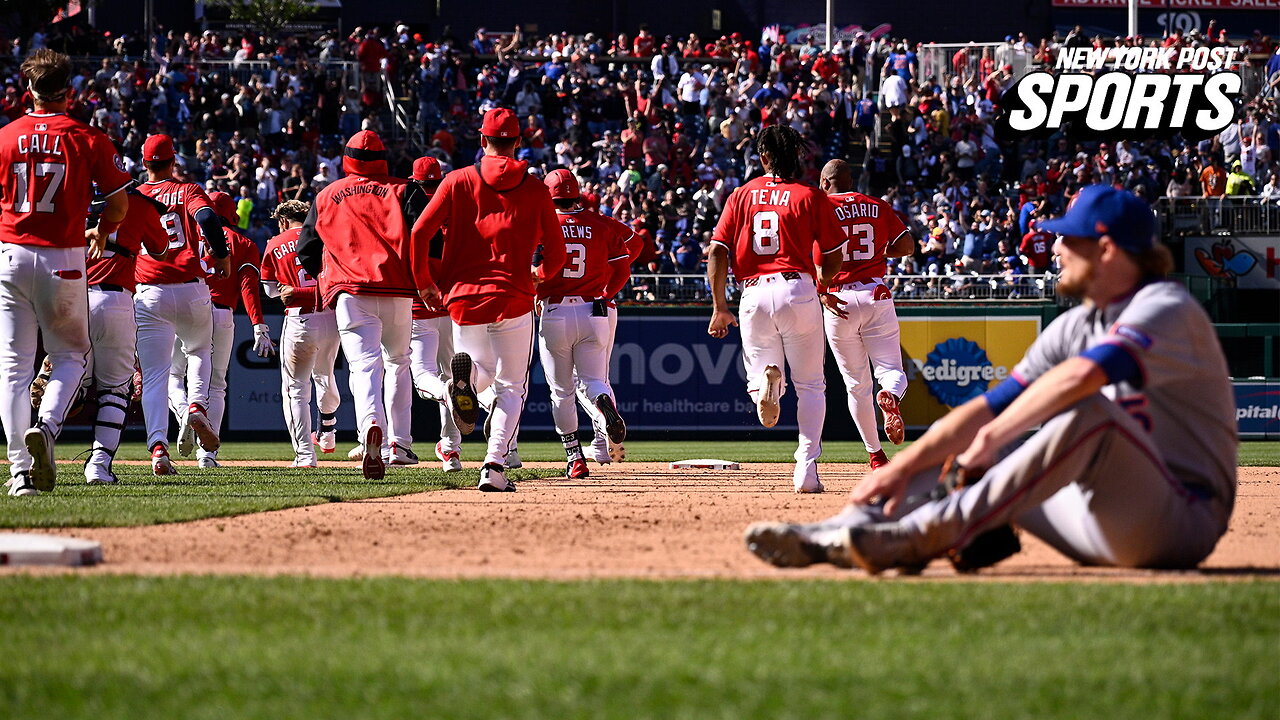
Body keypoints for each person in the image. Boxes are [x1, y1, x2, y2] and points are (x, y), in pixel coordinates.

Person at [745, 186, 1236, 575]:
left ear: (1106, 249)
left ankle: (918, 537)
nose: (1057, 247)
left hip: (1179, 520)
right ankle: (846, 530)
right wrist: (902, 466)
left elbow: (1083, 378)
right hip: (1094, 518)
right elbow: (990, 406)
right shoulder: (1075, 325)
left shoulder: (1167, 308)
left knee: (1090, 417)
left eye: (1071, 238)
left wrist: (992, 439)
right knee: (947, 443)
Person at [410, 107, 565, 492]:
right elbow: (557, 253)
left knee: (479, 376)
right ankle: (494, 465)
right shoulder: (535, 188)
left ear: (482, 141)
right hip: (514, 296)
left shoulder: (456, 180)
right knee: (512, 386)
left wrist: (425, 283)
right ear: (517, 143)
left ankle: (460, 383)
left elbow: (418, 232)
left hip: (463, 298)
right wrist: (540, 276)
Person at [0, 49, 132, 495]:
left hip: (11, 254)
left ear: (26, 92)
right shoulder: (86, 137)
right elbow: (118, 204)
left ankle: (20, 472)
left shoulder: (6, 135)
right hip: (64, 256)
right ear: (70, 93)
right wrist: (104, 230)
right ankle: (47, 427)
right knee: (71, 356)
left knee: (14, 369)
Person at [706, 124, 846, 493]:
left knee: (759, 373)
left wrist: (720, 306)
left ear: (763, 157)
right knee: (813, 385)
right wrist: (824, 285)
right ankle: (806, 468)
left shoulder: (741, 195)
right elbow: (834, 254)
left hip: (753, 293)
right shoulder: (811, 196)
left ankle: (766, 386)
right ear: (796, 155)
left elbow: (717, 251)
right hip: (797, 287)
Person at [297, 130, 419, 480]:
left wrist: (323, 272)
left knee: (365, 366)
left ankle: (369, 427)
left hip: (351, 291)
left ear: (346, 157)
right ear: (383, 156)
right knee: (398, 363)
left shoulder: (326, 194)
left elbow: (306, 250)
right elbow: (427, 235)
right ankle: (400, 442)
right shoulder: (404, 188)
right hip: (397, 289)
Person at [134, 133, 232, 475]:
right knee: (199, 352)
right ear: (172, 161)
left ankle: (159, 449)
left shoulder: (136, 195)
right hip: (191, 287)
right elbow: (207, 219)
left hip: (150, 291)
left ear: (145, 163)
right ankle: (196, 405)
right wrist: (221, 256)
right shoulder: (187, 189)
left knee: (157, 376)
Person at [816, 159, 915, 470]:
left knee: (856, 385)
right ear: (851, 180)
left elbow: (812, 256)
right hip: (875, 292)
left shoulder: (818, 208)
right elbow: (908, 246)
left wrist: (821, 291)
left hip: (837, 298)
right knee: (891, 370)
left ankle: (876, 455)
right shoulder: (876, 205)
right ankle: (890, 394)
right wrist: (877, 252)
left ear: (824, 183)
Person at [537, 169, 632, 479]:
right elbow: (623, 268)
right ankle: (604, 406)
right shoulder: (599, 223)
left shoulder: (544, 225)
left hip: (556, 311)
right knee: (594, 381)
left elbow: (532, 270)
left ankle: (575, 456)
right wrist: (607, 293)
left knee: (561, 392)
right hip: (595, 309)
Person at [168, 191, 273, 468]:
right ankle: (207, 455)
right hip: (222, 312)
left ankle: (186, 413)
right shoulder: (244, 242)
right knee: (216, 385)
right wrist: (258, 323)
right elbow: (248, 287)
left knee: (173, 375)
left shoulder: (188, 236)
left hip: (188, 306)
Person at [78, 189, 169, 484]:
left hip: (66, 295)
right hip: (115, 296)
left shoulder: (69, 190)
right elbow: (161, 248)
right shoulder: (137, 203)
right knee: (115, 390)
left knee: (62, 384)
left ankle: (30, 453)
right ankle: (99, 465)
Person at [261, 200, 342, 468]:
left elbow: (271, 291)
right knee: (325, 375)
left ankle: (306, 454)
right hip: (330, 316)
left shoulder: (275, 243)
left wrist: (294, 288)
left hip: (300, 318)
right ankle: (328, 428)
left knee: (295, 388)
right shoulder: (328, 237)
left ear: (283, 220)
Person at [402, 155, 463, 472]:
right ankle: (451, 450)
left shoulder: (406, 210)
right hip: (452, 305)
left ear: (414, 181)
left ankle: (446, 394)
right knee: (454, 375)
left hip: (418, 306)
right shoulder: (453, 210)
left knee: (425, 377)